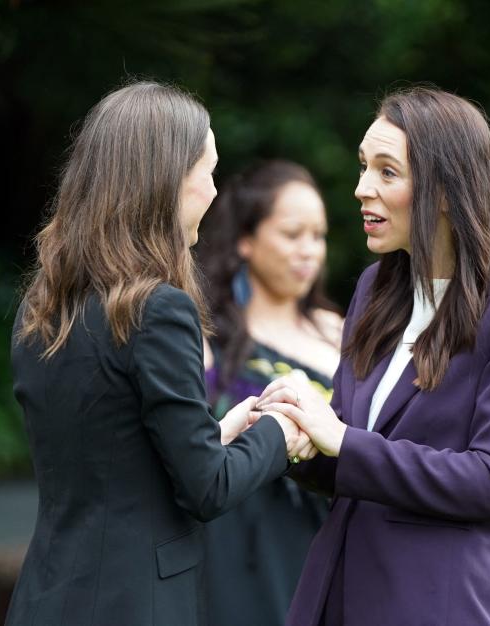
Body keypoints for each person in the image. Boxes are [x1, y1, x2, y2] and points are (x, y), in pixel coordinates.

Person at [254, 86, 490, 626]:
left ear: (446, 188)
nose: (361, 189)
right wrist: (295, 438)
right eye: (363, 167)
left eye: (386, 172)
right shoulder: (374, 287)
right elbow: (353, 464)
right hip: (334, 595)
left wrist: (344, 442)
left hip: (437, 604)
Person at [5, 81, 306, 626]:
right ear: (166, 180)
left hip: (45, 597)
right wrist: (279, 436)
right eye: (208, 171)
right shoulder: (158, 308)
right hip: (135, 603)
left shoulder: (41, 305)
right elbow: (207, 489)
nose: (215, 193)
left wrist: (217, 433)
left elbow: (111, 459)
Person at [194, 160, 341, 625]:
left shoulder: (340, 332)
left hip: (322, 535)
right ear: (246, 240)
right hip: (236, 545)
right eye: (292, 234)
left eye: (318, 236)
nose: (308, 251)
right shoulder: (208, 334)